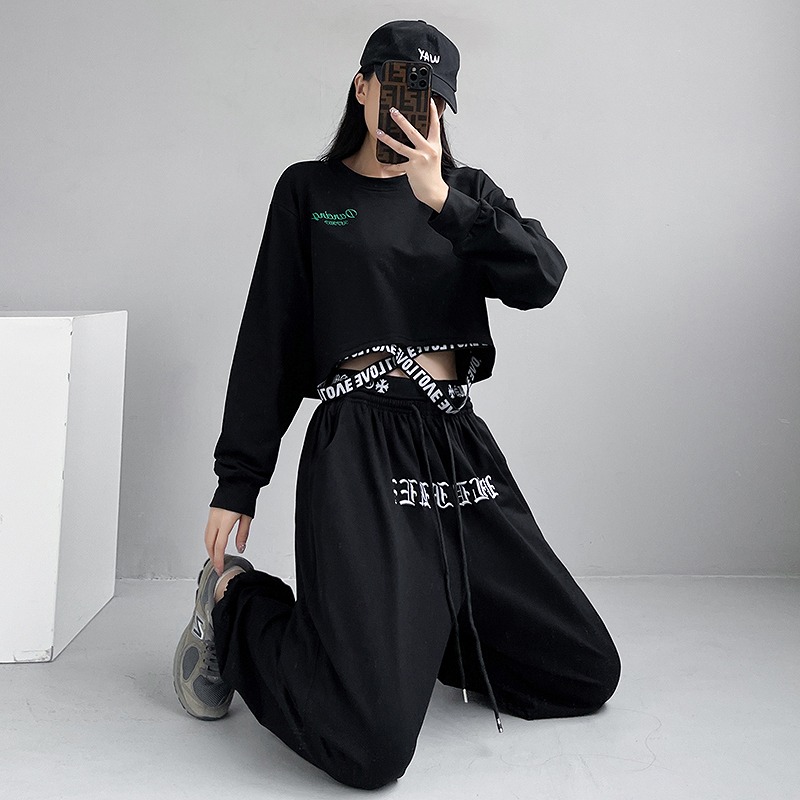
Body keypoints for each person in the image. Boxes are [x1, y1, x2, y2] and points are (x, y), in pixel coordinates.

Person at [173, 19, 621, 791]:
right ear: (363, 87)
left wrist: (442, 199)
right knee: (371, 747)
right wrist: (238, 478)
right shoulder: (310, 192)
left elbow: (542, 277)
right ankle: (235, 604)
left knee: (585, 668)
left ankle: (415, 638)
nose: (419, 111)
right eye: (402, 88)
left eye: (434, 99)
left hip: (453, 441)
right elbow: (270, 337)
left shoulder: (465, 193)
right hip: (358, 446)